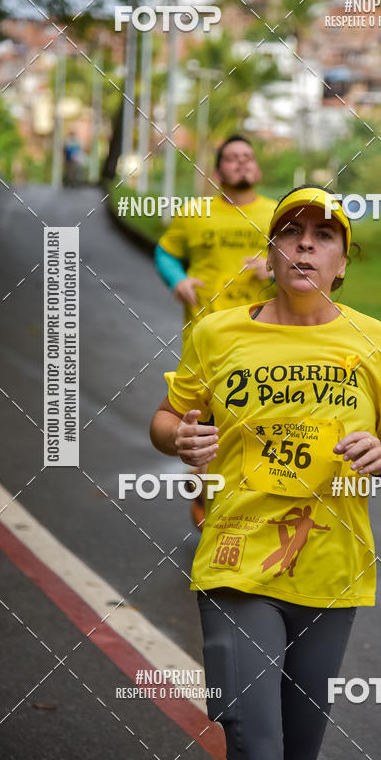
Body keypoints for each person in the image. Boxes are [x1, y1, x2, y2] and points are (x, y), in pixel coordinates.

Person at [149, 185, 381, 760]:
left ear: (341, 263)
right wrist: (180, 438)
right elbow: (166, 418)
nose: (305, 245)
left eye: (323, 235)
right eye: (290, 232)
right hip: (236, 560)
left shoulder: (377, 343)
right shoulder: (217, 333)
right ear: (272, 252)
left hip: (332, 570)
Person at [155, 135, 276, 527]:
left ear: (257, 169)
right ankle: (209, 496)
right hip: (207, 341)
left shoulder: (277, 216)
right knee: (208, 429)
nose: (241, 162)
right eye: (232, 157)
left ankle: (243, 506)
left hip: (264, 340)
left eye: (247, 156)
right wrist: (177, 279)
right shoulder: (194, 212)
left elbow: (300, 266)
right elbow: (165, 251)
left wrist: (273, 269)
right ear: (218, 171)